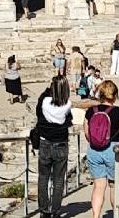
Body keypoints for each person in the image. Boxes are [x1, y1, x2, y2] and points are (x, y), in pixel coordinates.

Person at [86, 80, 119, 218]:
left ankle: (96, 216)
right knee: (114, 185)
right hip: (114, 150)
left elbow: (87, 133)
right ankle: (116, 215)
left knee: (98, 186)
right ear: (115, 95)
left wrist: (97, 142)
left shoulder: (90, 111)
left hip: (94, 150)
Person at [35, 75, 73, 218]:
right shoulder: (67, 105)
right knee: (58, 179)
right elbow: (69, 121)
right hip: (61, 144)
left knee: (43, 178)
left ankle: (44, 210)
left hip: (45, 143)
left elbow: (38, 112)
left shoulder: (44, 102)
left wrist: (49, 89)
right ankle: (56, 210)